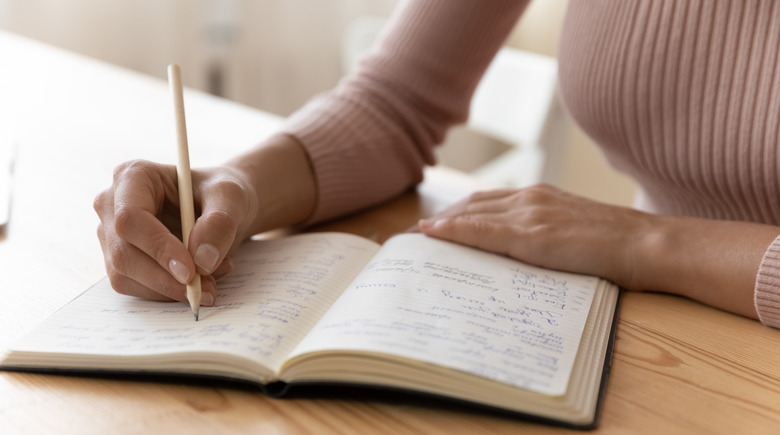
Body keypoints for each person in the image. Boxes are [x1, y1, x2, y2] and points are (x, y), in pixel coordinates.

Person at [93, 0, 780, 328]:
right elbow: (398, 100)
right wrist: (237, 186)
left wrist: (647, 241)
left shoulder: (642, 249)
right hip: (664, 328)